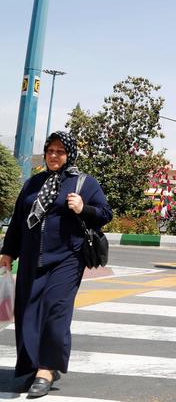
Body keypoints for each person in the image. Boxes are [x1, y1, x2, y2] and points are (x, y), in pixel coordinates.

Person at [0, 131, 112, 397]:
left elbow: (105, 214)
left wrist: (83, 208)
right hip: (30, 258)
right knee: (28, 313)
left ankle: (47, 369)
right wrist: (7, 252)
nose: (53, 155)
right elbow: (18, 220)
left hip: (67, 259)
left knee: (55, 311)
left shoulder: (84, 183)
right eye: (50, 150)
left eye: (60, 151)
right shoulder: (32, 184)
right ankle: (32, 365)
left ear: (69, 154)